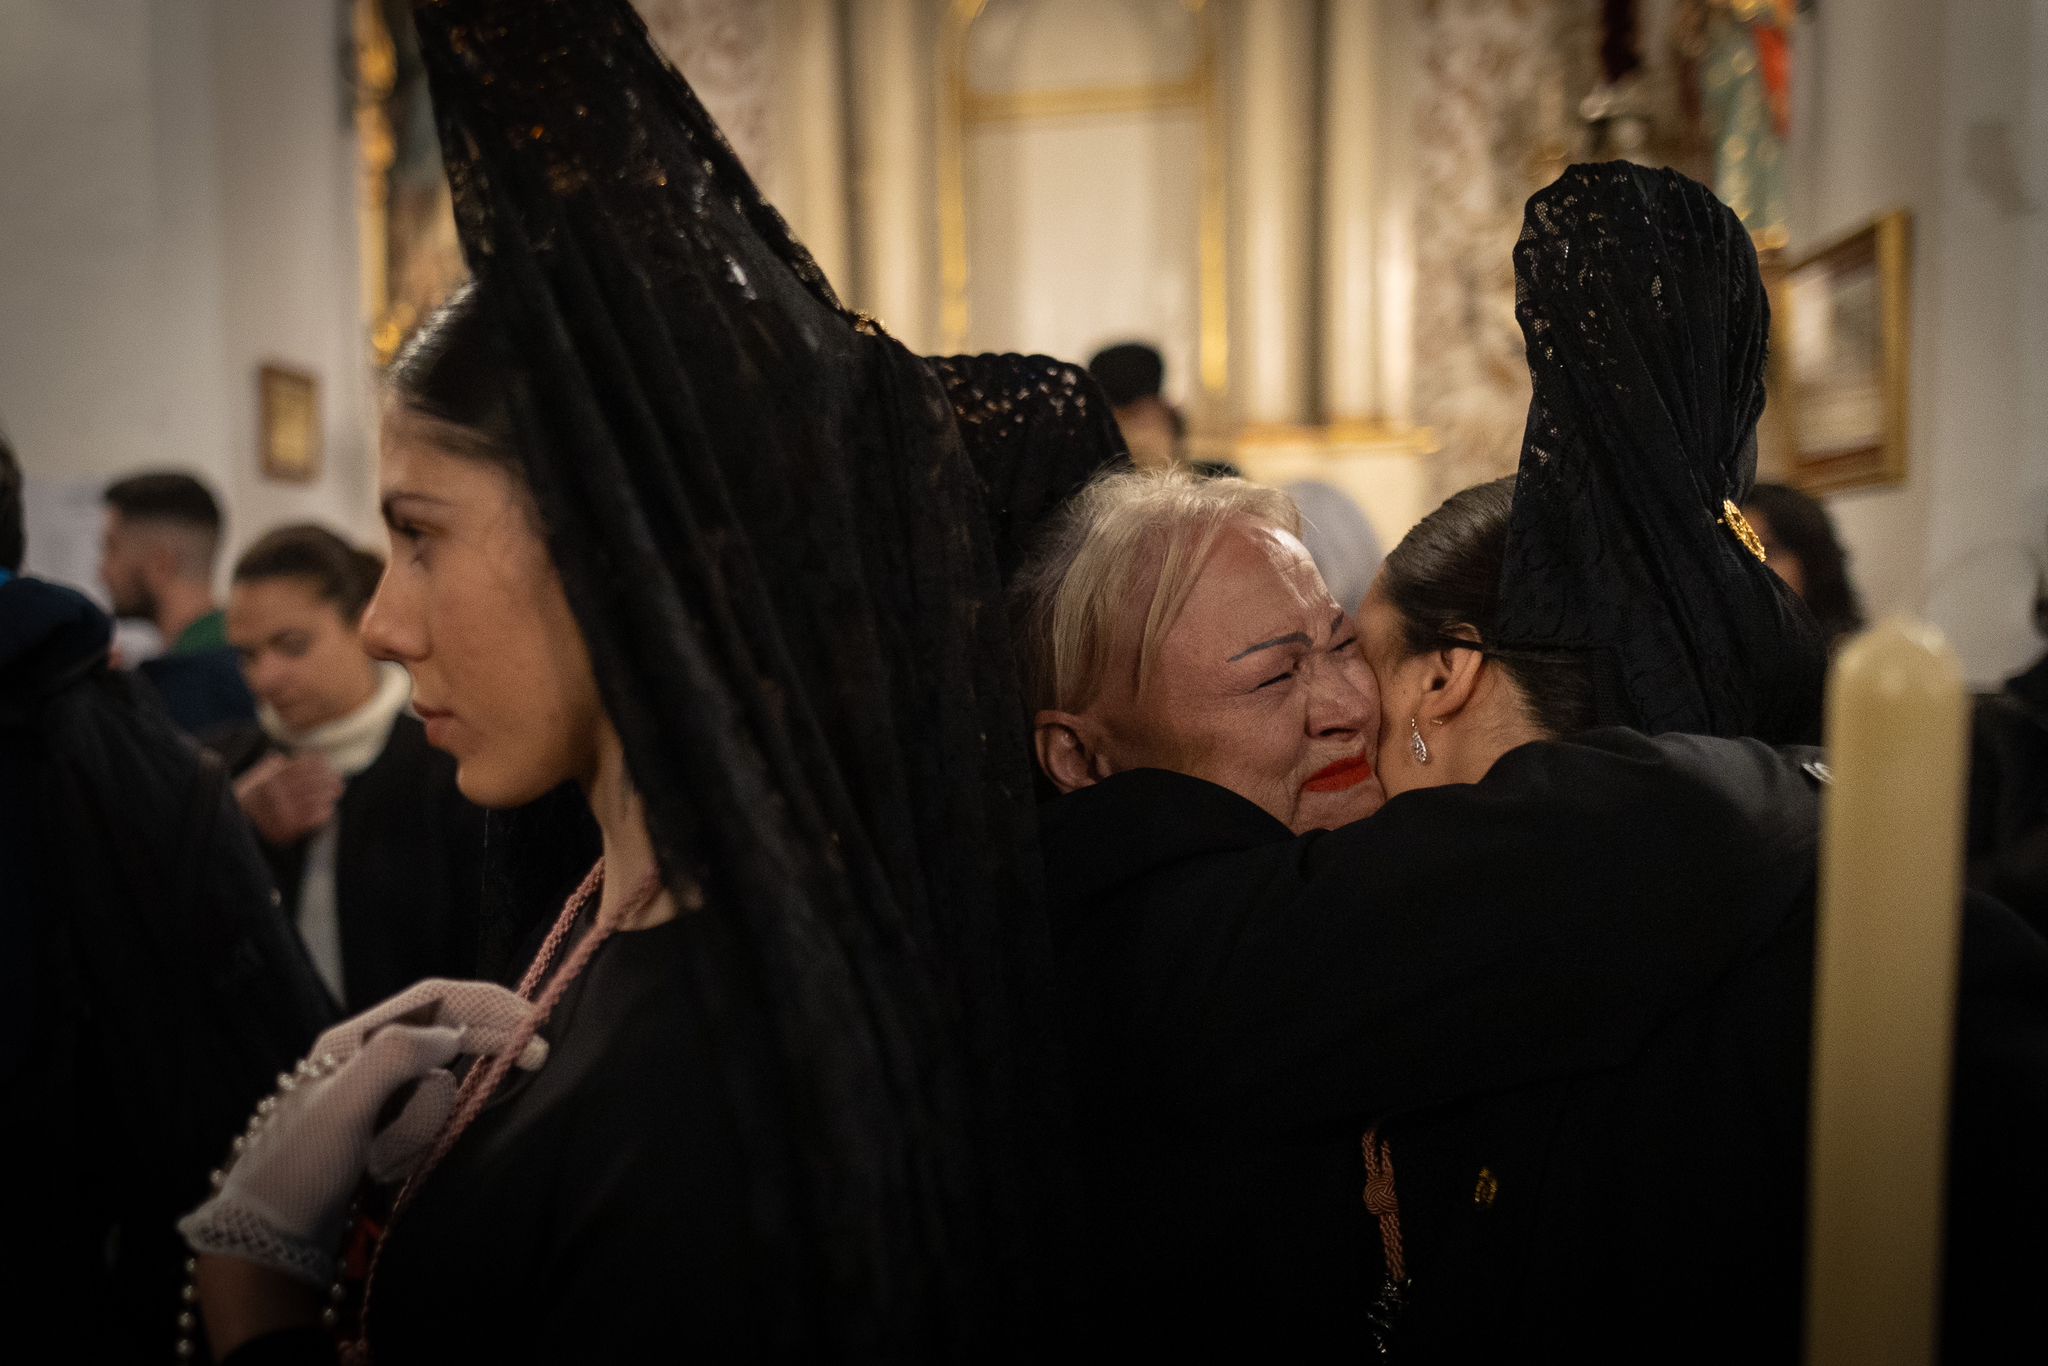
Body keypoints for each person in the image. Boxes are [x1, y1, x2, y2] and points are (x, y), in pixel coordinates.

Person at [1020, 164, 2048, 1360]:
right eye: (1272, 673)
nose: (1347, 702)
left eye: (1344, 643)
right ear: (1076, 754)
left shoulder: (1617, 921)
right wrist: (1863, 779)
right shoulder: (1139, 925)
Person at [179, 3, 1077, 1360]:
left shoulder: (720, 1076)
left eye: (419, 535)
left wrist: (257, 1295)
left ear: (618, 544)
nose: (379, 621)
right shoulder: (637, 911)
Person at [0, 434, 332, 1357]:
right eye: (257, 652)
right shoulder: (114, 709)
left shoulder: (116, 720)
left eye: (293, 646)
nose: (267, 678)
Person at [215, 524, 484, 1010]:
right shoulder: (229, 767)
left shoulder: (446, 765)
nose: (265, 677)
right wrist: (233, 825)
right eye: (247, 655)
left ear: (363, 624)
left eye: (292, 645)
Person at [101, 469, 257, 733]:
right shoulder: (240, 652)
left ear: (160, 564)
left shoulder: (191, 683)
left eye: (111, 548)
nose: (103, 570)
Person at [1742, 480, 1866, 648]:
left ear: (1812, 560)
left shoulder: (1854, 661)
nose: (1746, 568)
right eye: (1736, 552)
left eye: (1768, 551)